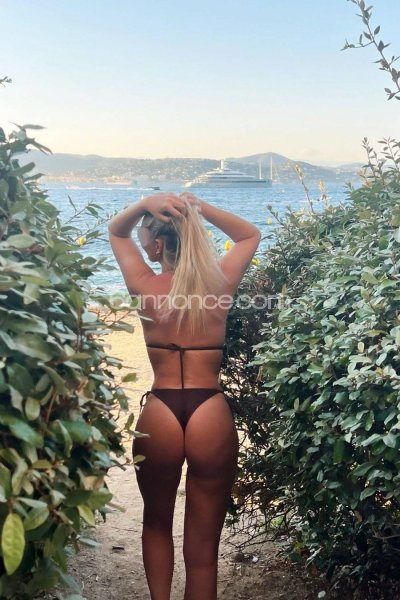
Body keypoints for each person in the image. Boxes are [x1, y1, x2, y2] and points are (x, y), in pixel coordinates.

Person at [108, 192, 261, 600]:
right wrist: (200, 208)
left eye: (146, 239)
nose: (143, 244)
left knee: (156, 523)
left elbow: (116, 231)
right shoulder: (219, 283)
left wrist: (144, 204)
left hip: (160, 409)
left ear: (159, 246)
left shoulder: (144, 285)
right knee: (204, 550)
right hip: (209, 408)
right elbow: (249, 235)